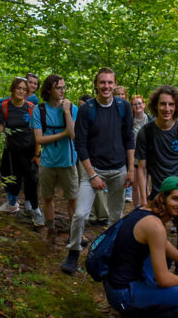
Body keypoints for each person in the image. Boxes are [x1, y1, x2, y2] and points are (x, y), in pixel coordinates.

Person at [61, 67, 135, 274]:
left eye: (110, 82)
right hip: (94, 169)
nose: (106, 86)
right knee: (80, 215)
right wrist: (92, 175)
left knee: (115, 217)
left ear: (115, 84)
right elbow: (80, 144)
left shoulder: (123, 107)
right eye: (102, 82)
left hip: (119, 169)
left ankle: (110, 252)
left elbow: (129, 138)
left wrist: (131, 169)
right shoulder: (88, 109)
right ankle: (73, 251)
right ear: (96, 84)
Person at [103, 176, 178, 318]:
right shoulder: (155, 226)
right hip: (123, 295)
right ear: (163, 198)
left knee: (166, 257)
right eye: (175, 199)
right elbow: (164, 279)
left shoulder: (143, 211)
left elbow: (163, 243)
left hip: (114, 284)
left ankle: (148, 297)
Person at [136, 85, 178, 267]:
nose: (167, 109)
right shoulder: (146, 133)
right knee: (153, 236)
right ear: (155, 106)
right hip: (158, 194)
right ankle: (157, 270)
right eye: (163, 104)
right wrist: (142, 198)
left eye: (171, 105)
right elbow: (142, 167)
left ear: (177, 106)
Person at [31, 74, 78, 231]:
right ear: (49, 89)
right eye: (58, 87)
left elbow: (73, 134)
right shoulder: (39, 110)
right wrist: (63, 133)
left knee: (72, 198)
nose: (62, 91)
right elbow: (39, 139)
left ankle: (75, 232)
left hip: (68, 161)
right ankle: (50, 230)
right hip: (47, 161)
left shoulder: (72, 109)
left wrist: (66, 112)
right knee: (47, 197)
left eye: (64, 87)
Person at [0, 77, 41, 218]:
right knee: (9, 176)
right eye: (19, 88)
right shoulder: (5, 107)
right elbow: (0, 129)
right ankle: (12, 204)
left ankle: (35, 209)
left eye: (24, 89)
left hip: (29, 150)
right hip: (12, 151)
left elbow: (38, 132)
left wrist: (37, 154)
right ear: (12, 89)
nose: (21, 91)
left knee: (31, 179)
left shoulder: (31, 107)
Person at [78, 94, 109, 226]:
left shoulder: (97, 114)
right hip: (83, 155)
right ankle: (90, 214)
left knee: (99, 184)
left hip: (96, 155)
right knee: (86, 185)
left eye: (83, 105)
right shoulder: (80, 115)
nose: (81, 108)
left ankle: (102, 214)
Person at [130, 94, 153, 208]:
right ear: (132, 107)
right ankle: (137, 209)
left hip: (147, 157)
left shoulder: (150, 121)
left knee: (146, 186)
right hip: (134, 158)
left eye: (139, 103)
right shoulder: (129, 122)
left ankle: (147, 208)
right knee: (135, 186)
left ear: (144, 105)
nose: (138, 106)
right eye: (135, 104)